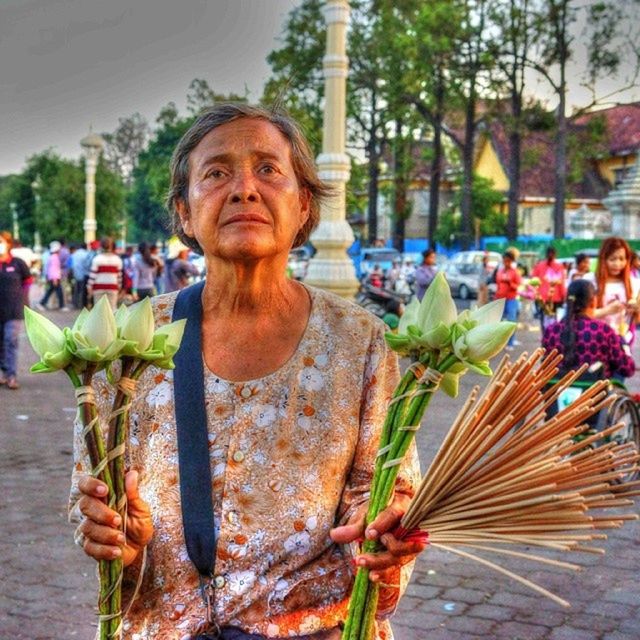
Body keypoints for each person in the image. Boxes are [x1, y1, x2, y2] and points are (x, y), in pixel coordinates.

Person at [70, 104, 424, 639]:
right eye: (215, 173)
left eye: (268, 169)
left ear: (304, 204)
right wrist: (116, 539)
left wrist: (383, 531)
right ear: (185, 213)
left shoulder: (360, 341)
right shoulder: (125, 344)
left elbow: (380, 490)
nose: (243, 189)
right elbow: (96, 500)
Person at [542, 279, 635, 381]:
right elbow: (627, 369)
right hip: (596, 393)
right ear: (593, 301)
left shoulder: (551, 330)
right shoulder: (603, 330)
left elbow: (545, 365)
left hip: (556, 391)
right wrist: (622, 341)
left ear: (567, 301)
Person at [0, 231, 32, 389]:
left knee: (10, 341)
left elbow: (28, 281)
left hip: (14, 310)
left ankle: (11, 375)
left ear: (8, 244)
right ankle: (4, 372)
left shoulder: (18, 263)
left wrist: (24, 299)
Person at [593, 237, 640, 345]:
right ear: (603, 259)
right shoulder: (590, 282)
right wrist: (606, 311)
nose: (617, 264)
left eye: (621, 259)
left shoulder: (635, 284)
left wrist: (636, 310)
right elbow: (579, 315)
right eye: (612, 259)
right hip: (595, 341)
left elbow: (637, 320)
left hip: (622, 343)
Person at [532, 247, 566, 330]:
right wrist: (563, 296)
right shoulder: (559, 266)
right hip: (552, 298)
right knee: (553, 320)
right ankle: (551, 338)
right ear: (555, 255)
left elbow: (533, 281)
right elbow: (562, 283)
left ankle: (545, 338)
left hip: (545, 298)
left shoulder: (539, 266)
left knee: (545, 320)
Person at [87, 236, 123, 310]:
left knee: (98, 310)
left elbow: (92, 277)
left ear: (101, 246)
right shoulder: (117, 260)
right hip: (112, 288)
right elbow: (119, 277)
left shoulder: (97, 259)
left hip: (98, 288)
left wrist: (89, 287)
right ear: (111, 246)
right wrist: (119, 287)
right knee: (112, 310)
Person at [494, 251, 521, 349]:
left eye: (508, 261)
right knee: (499, 321)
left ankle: (511, 342)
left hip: (511, 299)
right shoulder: (500, 271)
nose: (506, 263)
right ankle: (499, 344)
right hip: (500, 299)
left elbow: (518, 286)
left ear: (511, 261)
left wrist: (510, 283)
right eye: (504, 261)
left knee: (511, 321)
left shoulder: (515, 272)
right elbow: (498, 285)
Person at [37, 240, 66, 310]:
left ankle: (42, 303)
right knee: (58, 292)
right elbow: (53, 269)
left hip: (53, 277)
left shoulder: (52, 257)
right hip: (55, 278)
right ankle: (61, 306)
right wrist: (55, 279)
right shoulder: (54, 257)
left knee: (50, 291)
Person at [70, 242, 90, 309]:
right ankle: (82, 305)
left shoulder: (75, 254)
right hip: (84, 274)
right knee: (83, 291)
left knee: (76, 290)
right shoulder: (86, 254)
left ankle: (75, 304)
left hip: (76, 274)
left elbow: (72, 265)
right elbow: (87, 265)